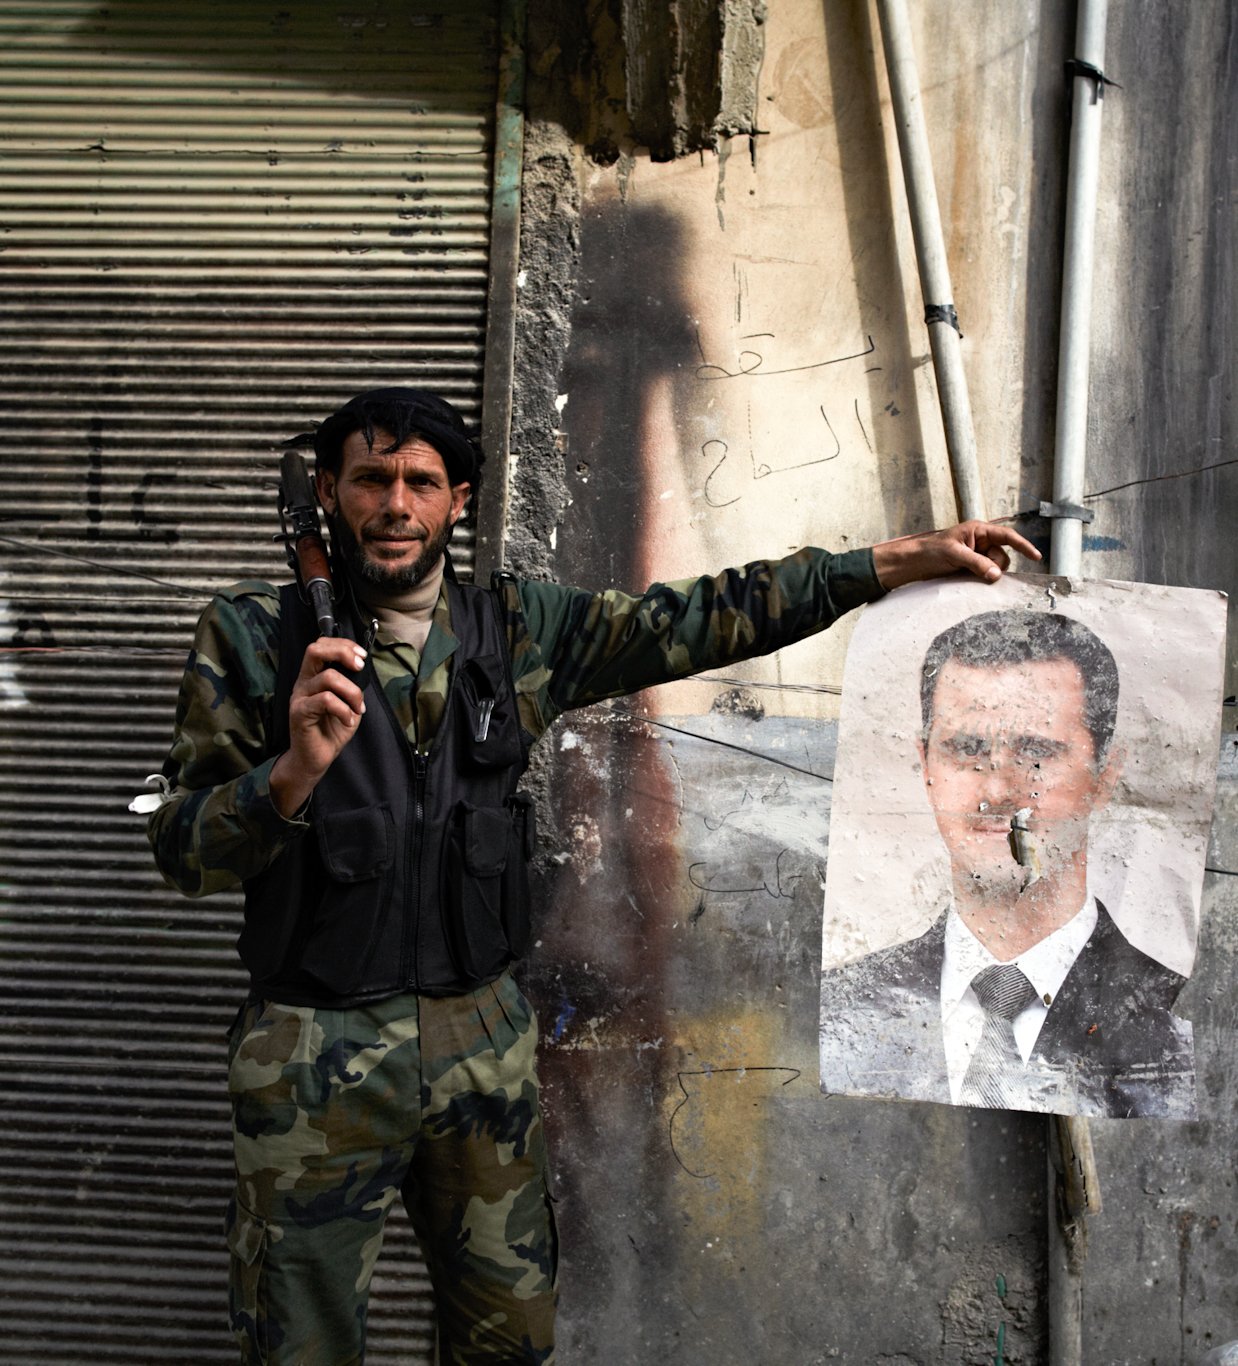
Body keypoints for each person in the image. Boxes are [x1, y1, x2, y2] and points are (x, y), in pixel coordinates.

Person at [144, 386, 1040, 1366]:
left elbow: (706, 616)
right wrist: (292, 771)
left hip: (480, 1052)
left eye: (419, 482)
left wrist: (879, 566)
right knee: (297, 1350)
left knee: (510, 1342)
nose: (394, 504)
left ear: (455, 502)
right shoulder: (252, 640)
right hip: (310, 1058)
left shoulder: (520, 631)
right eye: (369, 479)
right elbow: (182, 849)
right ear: (329, 491)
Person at [820, 609, 1195, 1119]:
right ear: (925, 764)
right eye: (967, 749)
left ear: (1106, 776)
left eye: (1038, 752)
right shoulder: (843, 1006)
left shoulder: (1175, 1021)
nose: (998, 790)